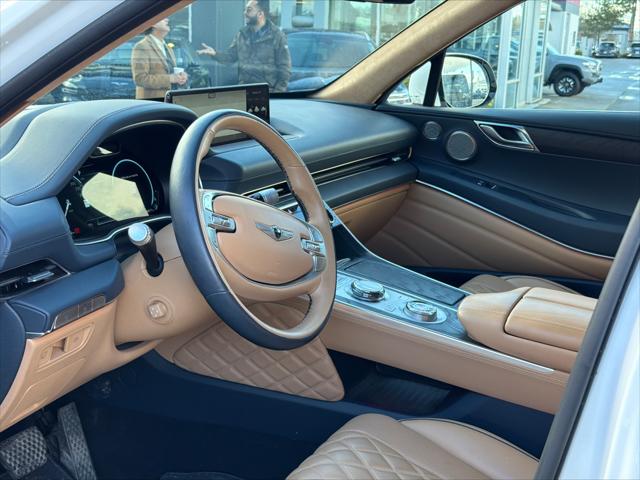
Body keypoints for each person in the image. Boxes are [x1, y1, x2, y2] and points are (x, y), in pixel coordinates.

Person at [197, 0, 291, 92]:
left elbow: (285, 70)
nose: (244, 13)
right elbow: (230, 57)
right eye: (245, 10)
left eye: (249, 10)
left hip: (267, 92)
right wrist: (214, 54)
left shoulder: (277, 36)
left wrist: (277, 94)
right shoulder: (242, 34)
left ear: (260, 14)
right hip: (244, 90)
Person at [131, 18, 188, 99]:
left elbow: (170, 72)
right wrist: (170, 79)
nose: (167, 20)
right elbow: (140, 79)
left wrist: (180, 77)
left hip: (169, 100)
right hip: (152, 102)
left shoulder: (167, 47)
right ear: (152, 23)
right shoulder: (142, 46)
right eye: (163, 18)